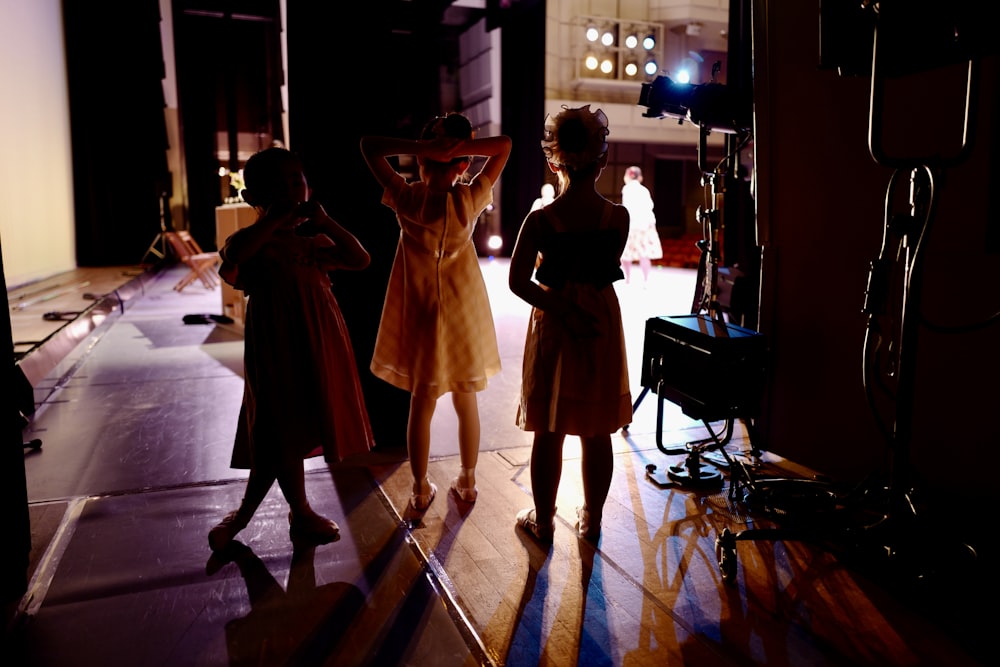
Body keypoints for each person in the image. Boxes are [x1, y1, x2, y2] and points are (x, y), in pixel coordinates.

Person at [208, 146, 375, 551]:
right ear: (253, 198)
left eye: (295, 181)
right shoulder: (252, 243)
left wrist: (327, 222)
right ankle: (269, 512)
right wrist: (277, 220)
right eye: (277, 186)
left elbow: (360, 259)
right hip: (275, 348)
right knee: (276, 428)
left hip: (317, 343)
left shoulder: (313, 242)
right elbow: (232, 259)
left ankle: (287, 512)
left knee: (292, 427)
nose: (289, 190)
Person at [360, 113, 512, 511]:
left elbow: (369, 146)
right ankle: (468, 478)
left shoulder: (409, 198)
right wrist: (458, 150)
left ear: (421, 164)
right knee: (467, 399)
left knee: (421, 402)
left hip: (424, 309)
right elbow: (504, 146)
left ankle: (419, 485)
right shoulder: (471, 197)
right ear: (462, 167)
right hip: (463, 309)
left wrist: (422, 148)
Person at [508, 105, 632, 544]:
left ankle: (542, 522)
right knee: (597, 430)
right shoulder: (617, 218)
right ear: (601, 160)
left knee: (550, 429)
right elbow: (604, 265)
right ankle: (592, 519)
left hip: (555, 323)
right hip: (600, 323)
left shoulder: (540, 221)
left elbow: (517, 281)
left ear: (553, 160)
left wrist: (563, 309)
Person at [619, 165, 663, 285]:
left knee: (626, 254)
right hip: (645, 224)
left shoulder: (626, 189)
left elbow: (627, 207)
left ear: (627, 176)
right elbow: (650, 207)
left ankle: (627, 279)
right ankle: (645, 280)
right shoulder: (644, 190)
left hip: (632, 224)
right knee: (644, 254)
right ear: (640, 177)